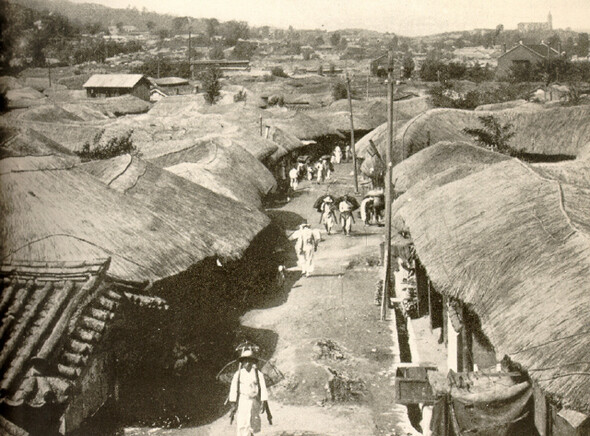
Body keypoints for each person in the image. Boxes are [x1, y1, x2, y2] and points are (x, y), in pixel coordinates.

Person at [229, 348, 272, 436]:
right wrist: (233, 403)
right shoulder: (238, 374)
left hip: (254, 401)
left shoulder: (258, 374)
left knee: (253, 421)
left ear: (253, 362)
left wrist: (263, 401)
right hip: (243, 400)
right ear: (242, 363)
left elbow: (262, 388)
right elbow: (233, 388)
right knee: (243, 422)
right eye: (245, 361)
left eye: (249, 361)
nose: (247, 363)